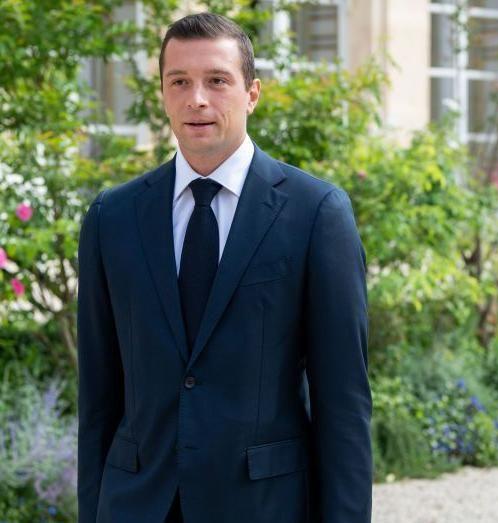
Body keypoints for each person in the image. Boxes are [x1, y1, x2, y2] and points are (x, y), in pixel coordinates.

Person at [77, 13, 371, 523]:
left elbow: (343, 405)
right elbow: (98, 398)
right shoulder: (112, 217)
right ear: (163, 93)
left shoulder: (315, 213)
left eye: (217, 80)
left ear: (252, 93)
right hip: (136, 505)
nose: (197, 99)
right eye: (180, 82)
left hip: (262, 506)